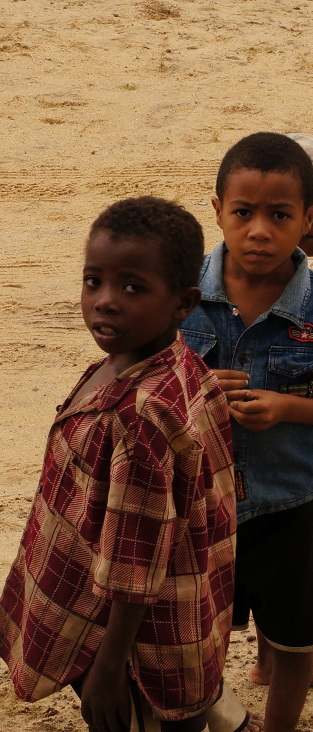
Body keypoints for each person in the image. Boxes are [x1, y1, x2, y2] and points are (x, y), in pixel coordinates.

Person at [0, 197, 235, 731]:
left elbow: (134, 566)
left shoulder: (137, 416)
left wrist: (107, 668)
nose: (104, 302)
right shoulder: (160, 362)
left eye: (132, 288)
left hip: (130, 646)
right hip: (150, 612)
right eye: (92, 281)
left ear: (183, 303)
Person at [180, 132, 313, 731]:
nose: (260, 231)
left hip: (292, 500)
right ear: (217, 210)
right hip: (199, 501)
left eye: (280, 216)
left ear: (308, 220)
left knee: (297, 638)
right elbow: (135, 385)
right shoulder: (180, 294)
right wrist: (196, 393)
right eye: (243, 213)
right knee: (198, 635)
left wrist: (287, 408)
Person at [238, 132, 313, 694]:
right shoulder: (204, 290)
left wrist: (287, 406)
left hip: (291, 483)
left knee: (288, 597)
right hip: (221, 493)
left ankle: (277, 662)